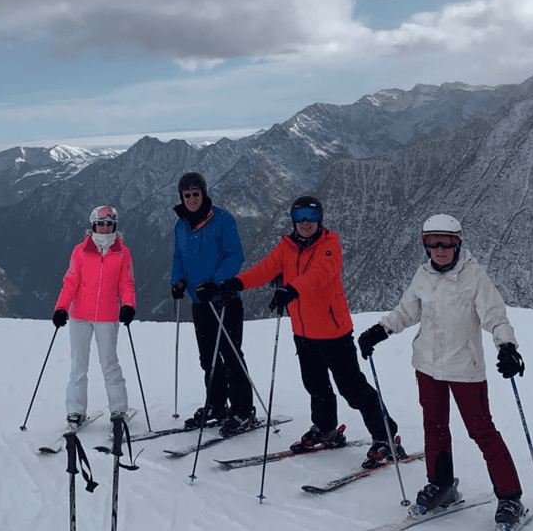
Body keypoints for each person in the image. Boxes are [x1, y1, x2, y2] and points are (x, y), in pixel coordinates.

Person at [356, 214, 527, 525]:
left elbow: (496, 317)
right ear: (425, 245)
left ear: (458, 243)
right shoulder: (423, 276)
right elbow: (406, 312)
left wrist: (507, 347)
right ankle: (441, 485)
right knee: (434, 429)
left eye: (447, 242)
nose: (440, 249)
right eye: (432, 242)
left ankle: (510, 497)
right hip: (427, 367)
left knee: (483, 432)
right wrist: (378, 332)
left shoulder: (474, 277)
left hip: (465, 369)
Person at [220, 196, 405, 469]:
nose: (306, 222)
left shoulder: (330, 246)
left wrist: (291, 289)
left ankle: (386, 438)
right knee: (316, 386)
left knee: (353, 389)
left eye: (311, 216)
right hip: (304, 334)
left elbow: (320, 275)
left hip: (335, 333)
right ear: (293, 219)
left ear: (320, 219)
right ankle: (325, 429)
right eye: (300, 216)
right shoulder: (287, 247)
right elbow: (264, 270)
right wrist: (235, 283)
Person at [170, 172, 254, 436]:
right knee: (208, 358)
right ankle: (217, 405)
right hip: (199, 301)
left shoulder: (222, 219)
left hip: (224, 300)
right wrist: (178, 281)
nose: (192, 199)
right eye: (187, 195)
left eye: (196, 194)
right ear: (181, 197)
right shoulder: (181, 225)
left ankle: (243, 410)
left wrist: (216, 283)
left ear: (204, 193)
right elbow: (178, 258)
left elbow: (235, 256)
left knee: (231, 356)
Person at [53, 205, 136, 432]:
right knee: (78, 365)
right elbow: (71, 281)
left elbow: (126, 284)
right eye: (101, 223)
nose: (105, 227)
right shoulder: (80, 251)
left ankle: (118, 409)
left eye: (110, 224)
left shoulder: (122, 253)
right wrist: (61, 307)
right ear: (93, 225)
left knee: (109, 363)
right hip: (80, 314)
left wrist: (128, 305)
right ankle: (75, 411)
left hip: (107, 316)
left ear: (115, 226)